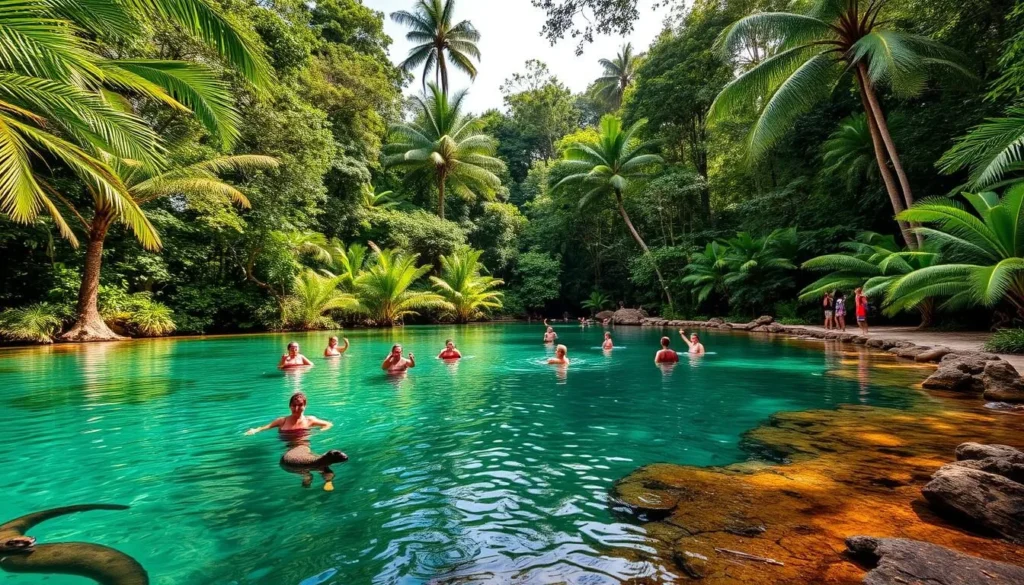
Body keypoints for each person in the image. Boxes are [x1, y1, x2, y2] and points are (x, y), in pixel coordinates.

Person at [245, 393, 345, 491]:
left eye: (300, 405)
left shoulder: (309, 420)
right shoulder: (282, 421)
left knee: (318, 464)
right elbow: (264, 427)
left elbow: (328, 424)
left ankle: (327, 481)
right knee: (301, 464)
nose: (297, 408)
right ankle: (306, 475)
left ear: (305, 406)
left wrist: (319, 432)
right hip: (289, 448)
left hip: (303, 447)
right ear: (290, 406)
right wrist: (254, 430)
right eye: (294, 405)